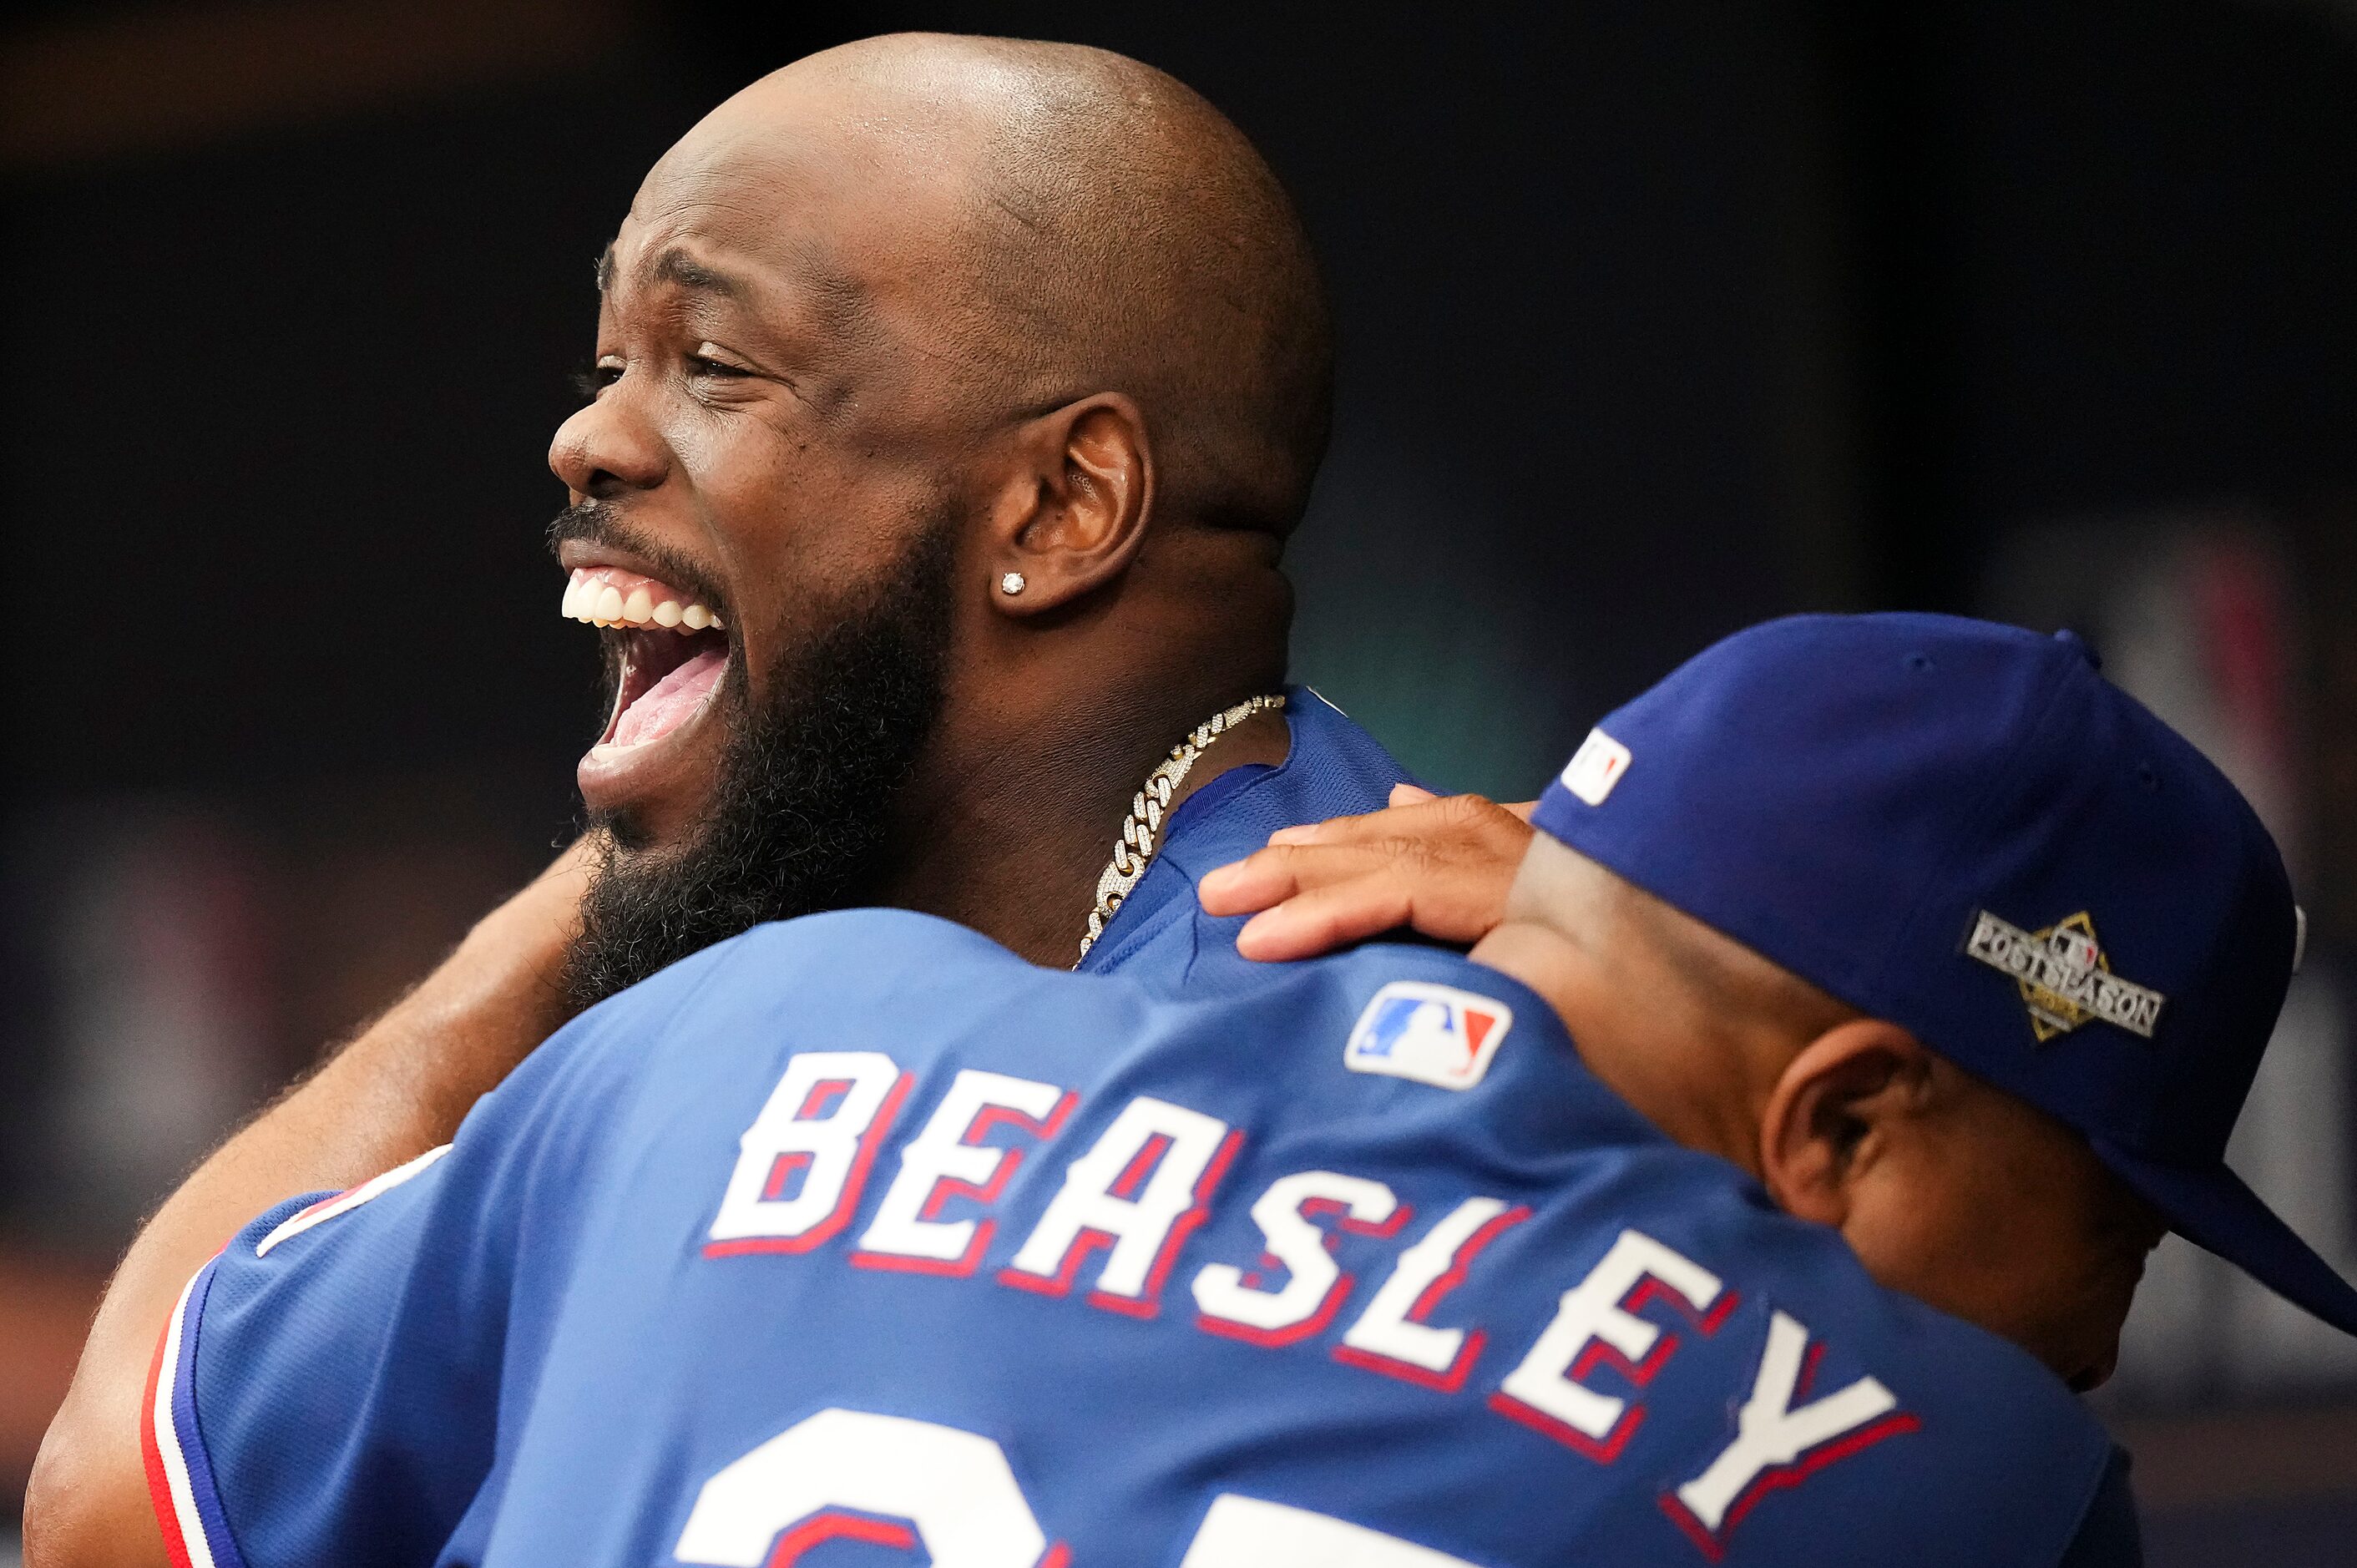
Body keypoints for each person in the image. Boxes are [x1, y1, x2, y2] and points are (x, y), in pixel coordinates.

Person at [39, 615, 2352, 1565]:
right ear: (1842, 1114)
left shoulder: (780, 1028)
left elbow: (117, 1480)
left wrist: (642, 855)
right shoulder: (1974, 1478)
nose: (2099, 1329)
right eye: (2120, 1223)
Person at [29, 33, 1426, 1559]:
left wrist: (587, 908)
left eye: (713, 365)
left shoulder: (744, 1048)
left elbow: (114, 1506)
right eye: (610, 364)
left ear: (1064, 501)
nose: (586, 438)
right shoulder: (1565, 994)